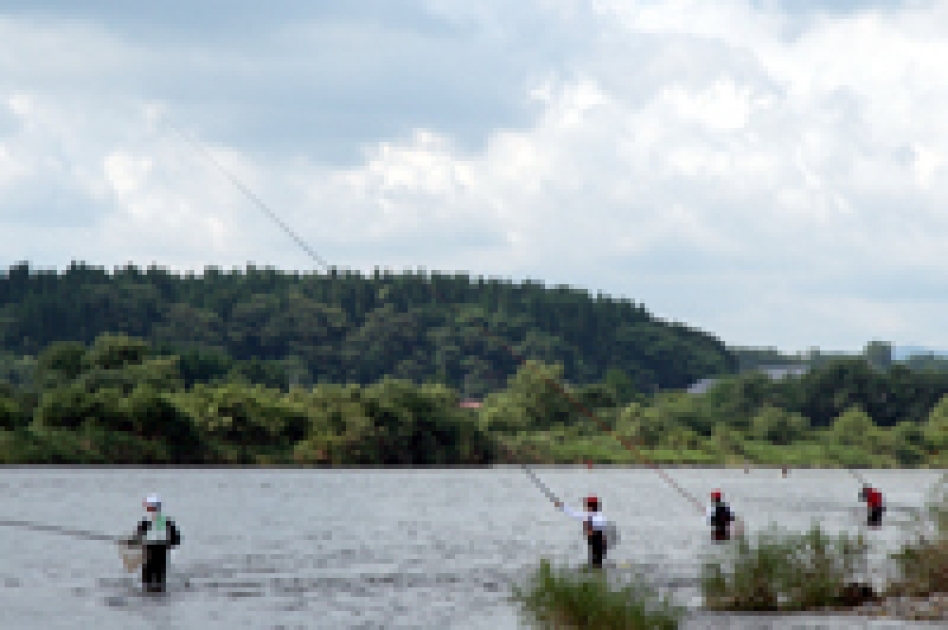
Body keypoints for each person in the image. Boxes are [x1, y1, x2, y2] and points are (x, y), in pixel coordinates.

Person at [133, 494, 181, 592]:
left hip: (149, 550)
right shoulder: (166, 520)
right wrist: (170, 544)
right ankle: (160, 592)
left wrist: (133, 542)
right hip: (161, 550)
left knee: (147, 577)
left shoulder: (146, 521)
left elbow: (138, 536)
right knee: (160, 576)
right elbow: (175, 538)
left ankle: (149, 592)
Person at [554, 495, 608, 568]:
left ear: (591, 506)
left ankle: (596, 568)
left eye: (587, 505)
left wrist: (561, 506)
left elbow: (573, 513)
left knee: (596, 560)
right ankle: (597, 569)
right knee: (596, 561)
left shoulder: (590, 516)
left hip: (597, 540)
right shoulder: (599, 516)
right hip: (598, 540)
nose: (585, 506)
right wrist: (562, 506)